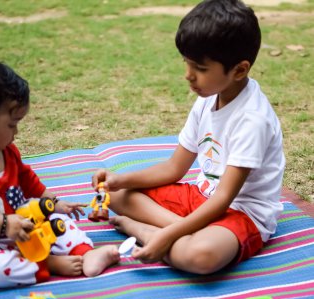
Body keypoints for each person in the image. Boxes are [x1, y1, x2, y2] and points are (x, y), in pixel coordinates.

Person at [92, 0, 285, 275]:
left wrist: (168, 235)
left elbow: (224, 200)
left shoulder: (253, 119)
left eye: (200, 68)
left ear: (239, 70)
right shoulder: (208, 98)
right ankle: (178, 231)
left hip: (241, 213)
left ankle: (149, 231)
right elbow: (174, 168)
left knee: (200, 256)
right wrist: (119, 179)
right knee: (118, 195)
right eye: (186, 62)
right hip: (201, 197)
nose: (188, 75)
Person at [0, 61, 119, 289]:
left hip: (25, 224)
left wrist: (54, 202)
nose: (16, 132)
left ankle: (86, 253)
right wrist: (4, 224)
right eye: (12, 124)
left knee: (59, 222)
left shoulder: (6, 150)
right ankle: (48, 263)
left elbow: (26, 179)